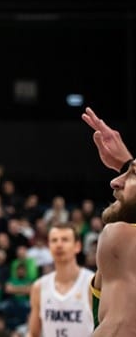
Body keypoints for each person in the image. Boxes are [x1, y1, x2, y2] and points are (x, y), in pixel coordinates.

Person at [80, 106, 136, 334]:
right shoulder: (116, 246)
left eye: (133, 175)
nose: (114, 181)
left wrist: (127, 163)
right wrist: (127, 165)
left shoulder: (121, 235)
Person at [25, 222, 94, 337]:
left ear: (77, 246)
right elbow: (33, 333)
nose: (59, 245)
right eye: (54, 240)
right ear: (49, 246)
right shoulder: (39, 287)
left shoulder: (91, 283)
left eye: (65, 240)